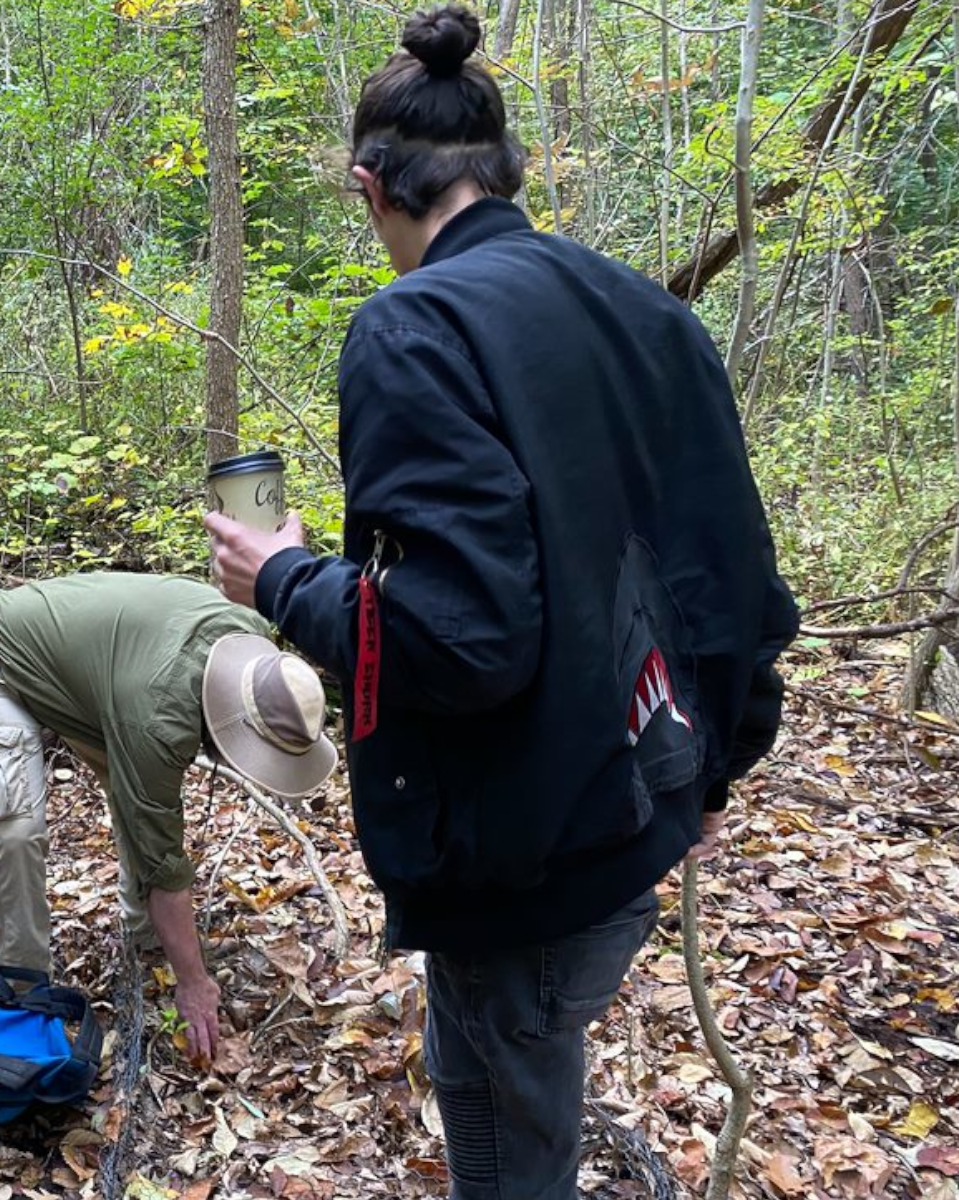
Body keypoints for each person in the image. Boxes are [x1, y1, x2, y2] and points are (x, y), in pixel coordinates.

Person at [203, 6, 799, 1197]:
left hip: (529, 852)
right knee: (493, 1069)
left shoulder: (413, 327)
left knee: (512, 1127)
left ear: (368, 182)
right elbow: (739, 585)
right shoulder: (647, 311)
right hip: (638, 805)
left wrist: (280, 580)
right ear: (501, 168)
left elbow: (456, 642)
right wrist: (713, 770)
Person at [0, 572, 337, 1063]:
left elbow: (148, 813)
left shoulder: (248, 633)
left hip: (101, 680)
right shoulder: (158, 718)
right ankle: (21, 985)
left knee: (133, 791)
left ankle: (145, 936)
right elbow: (162, 858)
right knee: (17, 827)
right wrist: (193, 983)